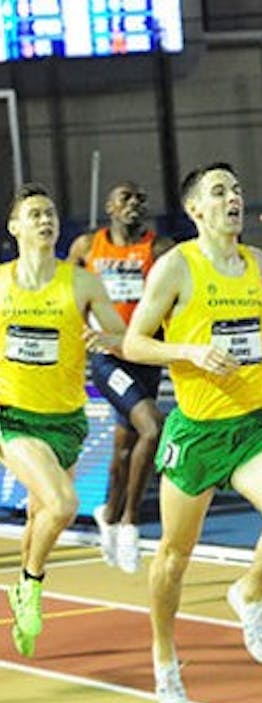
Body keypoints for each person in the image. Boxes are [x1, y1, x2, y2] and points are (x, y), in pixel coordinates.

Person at [122, 163, 262, 703]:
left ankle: (247, 592)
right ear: (196, 209)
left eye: (237, 187)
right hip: (197, 431)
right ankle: (163, 659)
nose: (233, 197)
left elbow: (253, 327)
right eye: (219, 191)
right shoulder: (175, 268)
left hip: (250, 425)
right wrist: (188, 352)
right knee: (175, 557)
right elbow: (133, 343)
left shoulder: (257, 262)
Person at [2, 183, 126, 658]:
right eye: (33, 214)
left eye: (50, 213)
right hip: (12, 415)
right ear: (15, 227)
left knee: (40, 511)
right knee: (62, 504)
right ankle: (31, 587)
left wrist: (106, 337)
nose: (44, 220)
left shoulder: (81, 283)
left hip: (68, 419)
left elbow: (120, 332)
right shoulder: (0, 284)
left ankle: (21, 586)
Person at [67, 181, 175, 574]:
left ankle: (107, 515)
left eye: (140, 197)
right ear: (110, 206)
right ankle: (131, 523)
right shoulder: (87, 247)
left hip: (145, 356)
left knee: (123, 452)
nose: (135, 203)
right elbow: (69, 291)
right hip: (109, 358)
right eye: (127, 197)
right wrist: (78, 337)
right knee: (153, 428)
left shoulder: (158, 249)